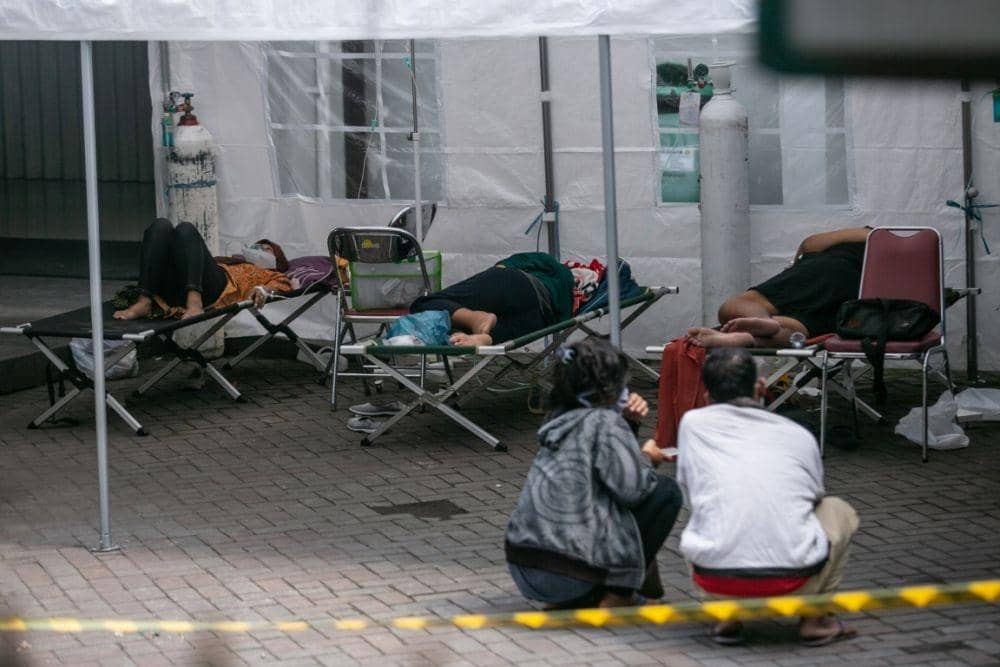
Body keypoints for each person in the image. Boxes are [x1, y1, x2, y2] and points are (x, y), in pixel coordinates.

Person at [677, 348, 860, 646]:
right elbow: (814, 496)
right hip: (795, 581)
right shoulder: (796, 434)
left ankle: (726, 616)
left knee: (702, 513)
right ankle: (815, 620)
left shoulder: (691, 425)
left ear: (707, 396)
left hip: (716, 582)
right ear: (760, 388)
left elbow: (689, 489)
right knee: (837, 510)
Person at [505, 338, 683, 609]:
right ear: (607, 389)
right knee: (665, 491)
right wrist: (647, 457)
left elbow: (606, 469)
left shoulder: (557, 418)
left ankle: (582, 596)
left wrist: (628, 424)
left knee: (607, 502)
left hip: (526, 567)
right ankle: (618, 594)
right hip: (571, 574)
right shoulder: (605, 422)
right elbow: (632, 490)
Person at [688, 227, 871, 348]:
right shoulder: (894, 258)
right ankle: (748, 337)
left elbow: (810, 243)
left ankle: (762, 321)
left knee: (742, 304)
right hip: (855, 301)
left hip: (827, 269)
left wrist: (795, 266)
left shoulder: (873, 234)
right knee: (798, 332)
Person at [113, 218, 293, 321]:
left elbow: (285, 284)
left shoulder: (270, 273)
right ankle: (144, 301)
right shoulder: (231, 262)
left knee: (186, 229)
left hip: (214, 289)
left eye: (266, 249)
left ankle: (195, 303)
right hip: (176, 288)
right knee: (160, 226)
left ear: (277, 259)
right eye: (257, 246)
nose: (259, 249)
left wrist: (263, 288)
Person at [410, 252, 574, 346]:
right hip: (540, 317)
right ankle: (483, 338)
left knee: (422, 305)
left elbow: (516, 261)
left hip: (519, 283)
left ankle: (475, 319)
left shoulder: (559, 269)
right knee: (510, 329)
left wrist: (496, 272)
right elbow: (561, 321)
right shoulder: (568, 304)